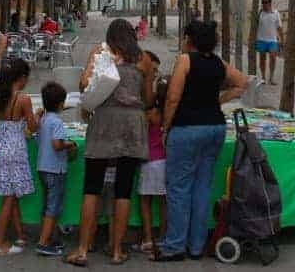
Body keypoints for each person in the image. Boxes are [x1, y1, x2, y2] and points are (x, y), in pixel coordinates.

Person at [154, 20, 249, 261]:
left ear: (189, 39)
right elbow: (242, 83)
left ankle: (174, 245)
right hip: (215, 128)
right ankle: (196, 246)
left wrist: (165, 128)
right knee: (202, 188)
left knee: (178, 189)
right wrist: (218, 101)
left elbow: (173, 98)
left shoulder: (185, 60)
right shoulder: (218, 63)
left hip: (186, 130)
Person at [64, 19, 155, 267]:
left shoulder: (101, 52)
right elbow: (148, 98)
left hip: (104, 122)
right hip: (132, 126)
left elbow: (83, 85)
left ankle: (82, 250)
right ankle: (116, 250)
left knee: (91, 187)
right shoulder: (144, 59)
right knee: (123, 189)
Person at [0, 59, 39, 255]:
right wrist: (38, 118)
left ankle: (20, 235)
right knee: (9, 198)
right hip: (15, 152)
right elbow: (33, 128)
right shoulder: (23, 99)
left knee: (12, 195)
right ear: (23, 78)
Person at [35, 82, 78, 257]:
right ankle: (43, 242)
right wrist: (70, 144)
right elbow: (57, 144)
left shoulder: (43, 120)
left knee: (47, 205)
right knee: (53, 206)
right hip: (55, 169)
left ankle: (46, 236)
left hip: (43, 168)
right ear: (61, 104)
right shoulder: (57, 122)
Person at [135, 76, 169, 255]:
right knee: (163, 202)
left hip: (149, 162)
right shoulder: (169, 112)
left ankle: (148, 238)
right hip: (164, 161)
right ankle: (163, 237)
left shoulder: (150, 112)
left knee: (145, 201)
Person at [255, 0, 284, 85]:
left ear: (270, 3)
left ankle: (271, 77)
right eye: (263, 3)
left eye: (266, 2)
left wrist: (282, 39)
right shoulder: (259, 13)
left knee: (273, 57)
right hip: (261, 40)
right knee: (262, 59)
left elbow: (279, 28)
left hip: (272, 40)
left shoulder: (276, 13)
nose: (264, 4)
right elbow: (254, 27)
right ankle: (263, 77)